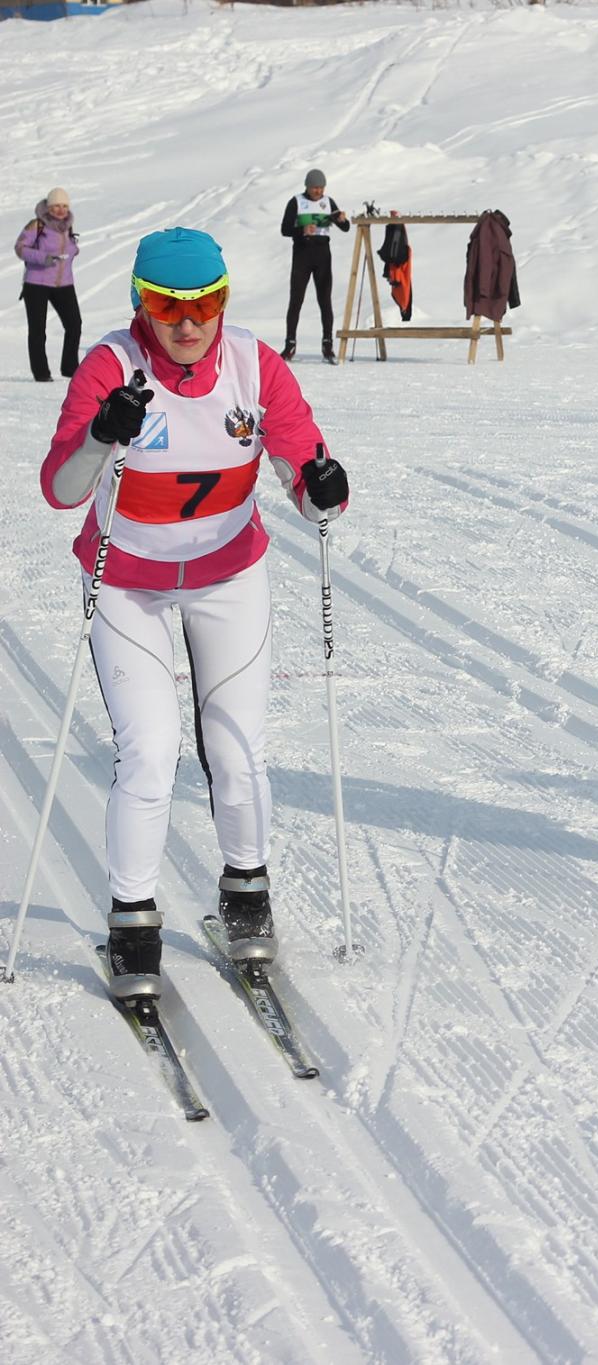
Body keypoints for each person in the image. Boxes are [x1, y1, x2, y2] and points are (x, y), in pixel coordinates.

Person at [39, 228, 351, 998]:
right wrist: (101, 433)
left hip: (225, 579)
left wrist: (326, 486)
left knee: (237, 745)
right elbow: (62, 488)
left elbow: (306, 480)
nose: (189, 323)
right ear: (141, 303)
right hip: (127, 581)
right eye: (167, 306)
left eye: (206, 303)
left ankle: (247, 894)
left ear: (224, 299)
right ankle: (132, 919)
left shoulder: (253, 366)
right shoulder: (113, 366)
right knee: (149, 749)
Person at [279, 169, 349, 363]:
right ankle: (290, 344)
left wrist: (343, 220)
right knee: (296, 300)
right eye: (314, 188)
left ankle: (328, 346)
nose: (318, 191)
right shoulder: (296, 202)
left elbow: (345, 227)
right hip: (302, 254)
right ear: (307, 187)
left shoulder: (328, 202)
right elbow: (284, 229)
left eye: (321, 188)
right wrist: (301, 230)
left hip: (322, 255)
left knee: (325, 301)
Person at [16, 188, 82, 382]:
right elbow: (20, 248)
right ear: (48, 206)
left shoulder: (67, 225)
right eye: (56, 206)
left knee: (74, 324)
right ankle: (41, 373)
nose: (61, 210)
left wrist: (74, 249)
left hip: (64, 284)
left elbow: (69, 248)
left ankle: (70, 369)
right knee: (38, 329)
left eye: (64, 206)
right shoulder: (37, 225)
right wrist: (43, 258)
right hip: (36, 283)